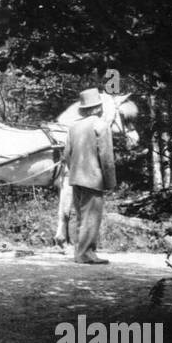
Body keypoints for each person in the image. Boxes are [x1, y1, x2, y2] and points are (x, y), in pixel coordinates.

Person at [62, 87, 116, 264]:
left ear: (83, 109)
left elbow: (66, 156)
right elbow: (106, 157)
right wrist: (110, 182)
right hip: (93, 178)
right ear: (98, 108)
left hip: (76, 178)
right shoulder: (101, 125)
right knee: (91, 218)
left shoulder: (74, 127)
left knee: (81, 217)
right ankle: (86, 254)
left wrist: (75, 171)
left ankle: (81, 253)